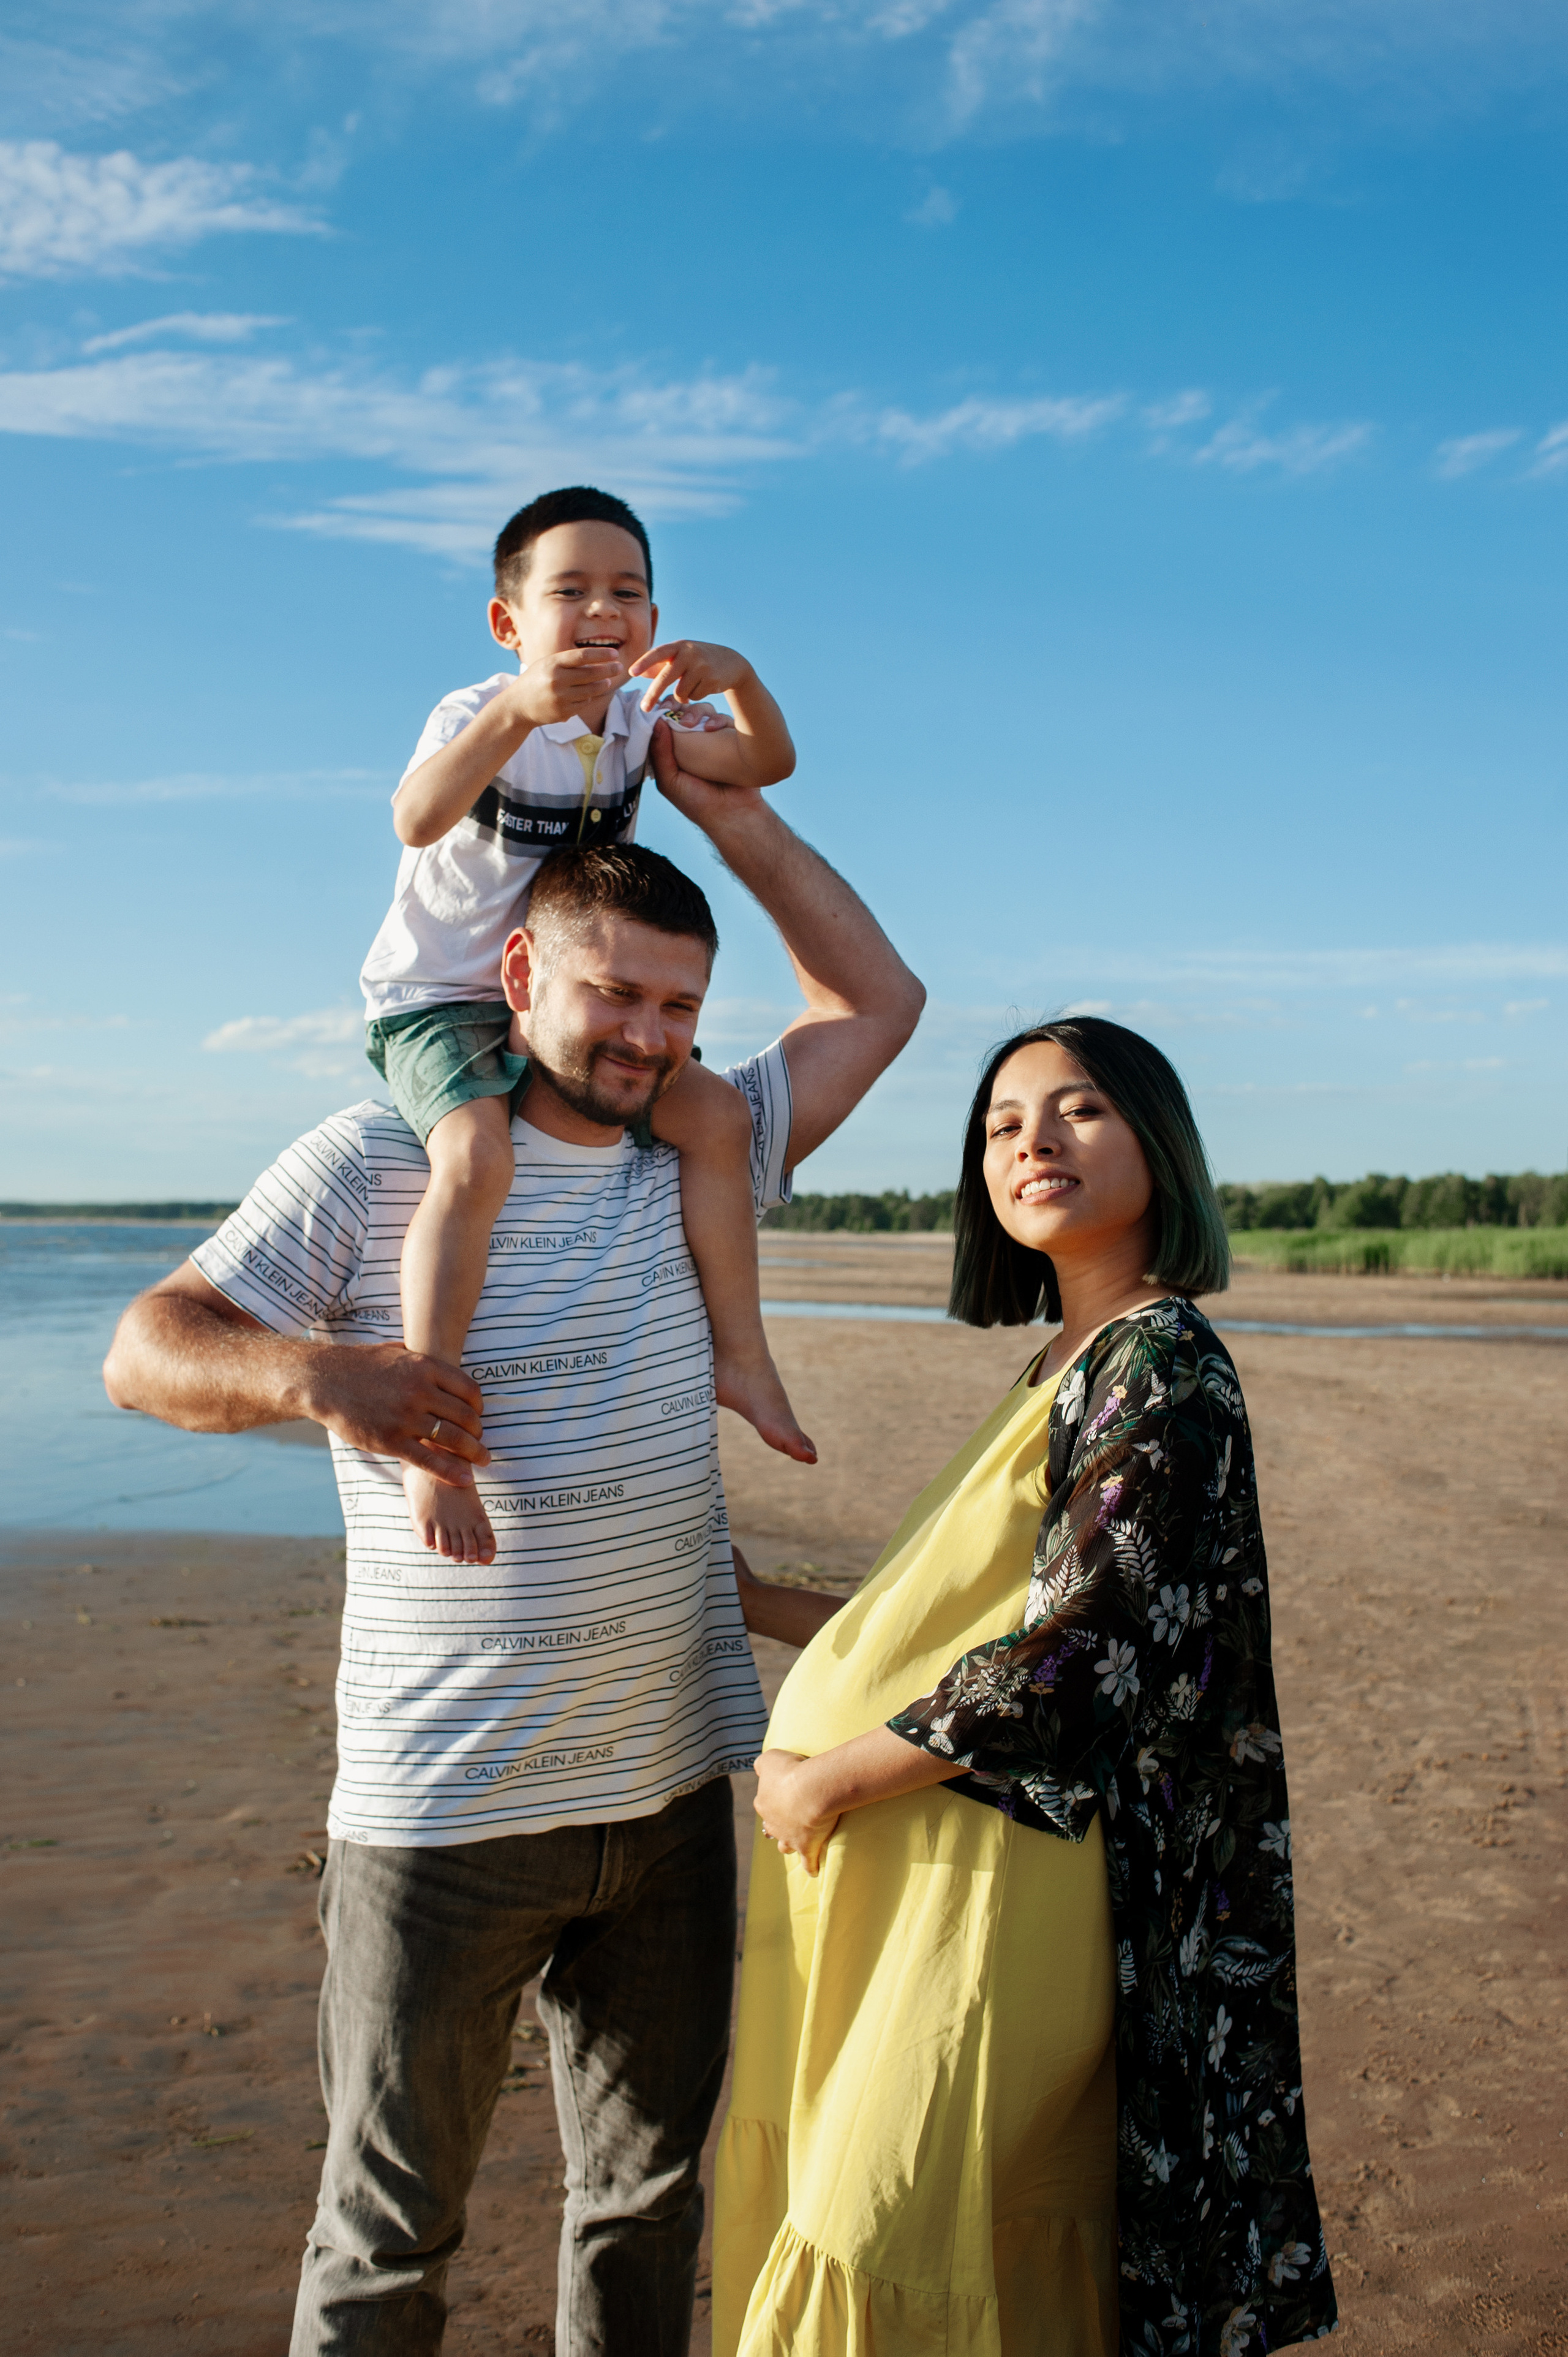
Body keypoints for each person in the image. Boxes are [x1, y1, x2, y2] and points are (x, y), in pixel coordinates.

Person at [102, 731, 925, 2357]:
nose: (645, 1036)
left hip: (680, 1796)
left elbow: (876, 1006)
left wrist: (731, 810)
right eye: (614, 994)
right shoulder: (372, 1161)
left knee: (644, 2213)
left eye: (678, 1009)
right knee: (389, 2232)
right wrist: (323, 1375)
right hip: (440, 1817)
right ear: (517, 965)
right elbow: (147, 1347)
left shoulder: (711, 1161)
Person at [716, 1018, 1338, 2357]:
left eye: (1079, 1112)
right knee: (912, 2211)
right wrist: (767, 1606)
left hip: (1012, 1888)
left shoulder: (1161, 1367)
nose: (1032, 1142)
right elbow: (978, 1628)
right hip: (936, 1875)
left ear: (1158, 1148)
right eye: (1002, 1124)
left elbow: (1077, 1656)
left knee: (895, 2219)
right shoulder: (1058, 1362)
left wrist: (821, 1777)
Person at [360, 481, 811, 1569]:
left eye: (631, 592)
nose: (604, 610)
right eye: (572, 591)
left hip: (565, 1007)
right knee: (474, 1157)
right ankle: (433, 1427)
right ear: (511, 623)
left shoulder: (638, 720)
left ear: (653, 621)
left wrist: (741, 679)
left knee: (712, 1118)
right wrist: (521, 709)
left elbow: (766, 763)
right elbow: (415, 817)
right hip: (446, 996)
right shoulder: (479, 711)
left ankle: (741, 1360)